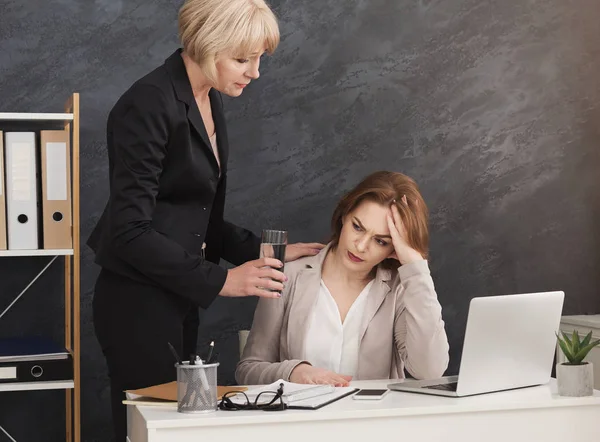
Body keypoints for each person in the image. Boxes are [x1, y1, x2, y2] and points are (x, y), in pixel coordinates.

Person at [87, 0, 323, 439]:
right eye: (242, 58)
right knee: (150, 430)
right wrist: (222, 281)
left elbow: (191, 211)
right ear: (205, 44)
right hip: (137, 303)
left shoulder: (207, 97)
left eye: (258, 59)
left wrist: (260, 251)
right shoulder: (147, 103)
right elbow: (128, 231)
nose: (254, 72)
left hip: (177, 294)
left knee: (181, 428)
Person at [236, 171, 449, 386]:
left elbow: (430, 370)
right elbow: (248, 370)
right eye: (357, 227)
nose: (361, 246)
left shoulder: (402, 290)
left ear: (394, 248)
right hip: (300, 418)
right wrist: (293, 372)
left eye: (381, 241)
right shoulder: (288, 276)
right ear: (345, 215)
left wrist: (415, 266)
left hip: (373, 419)